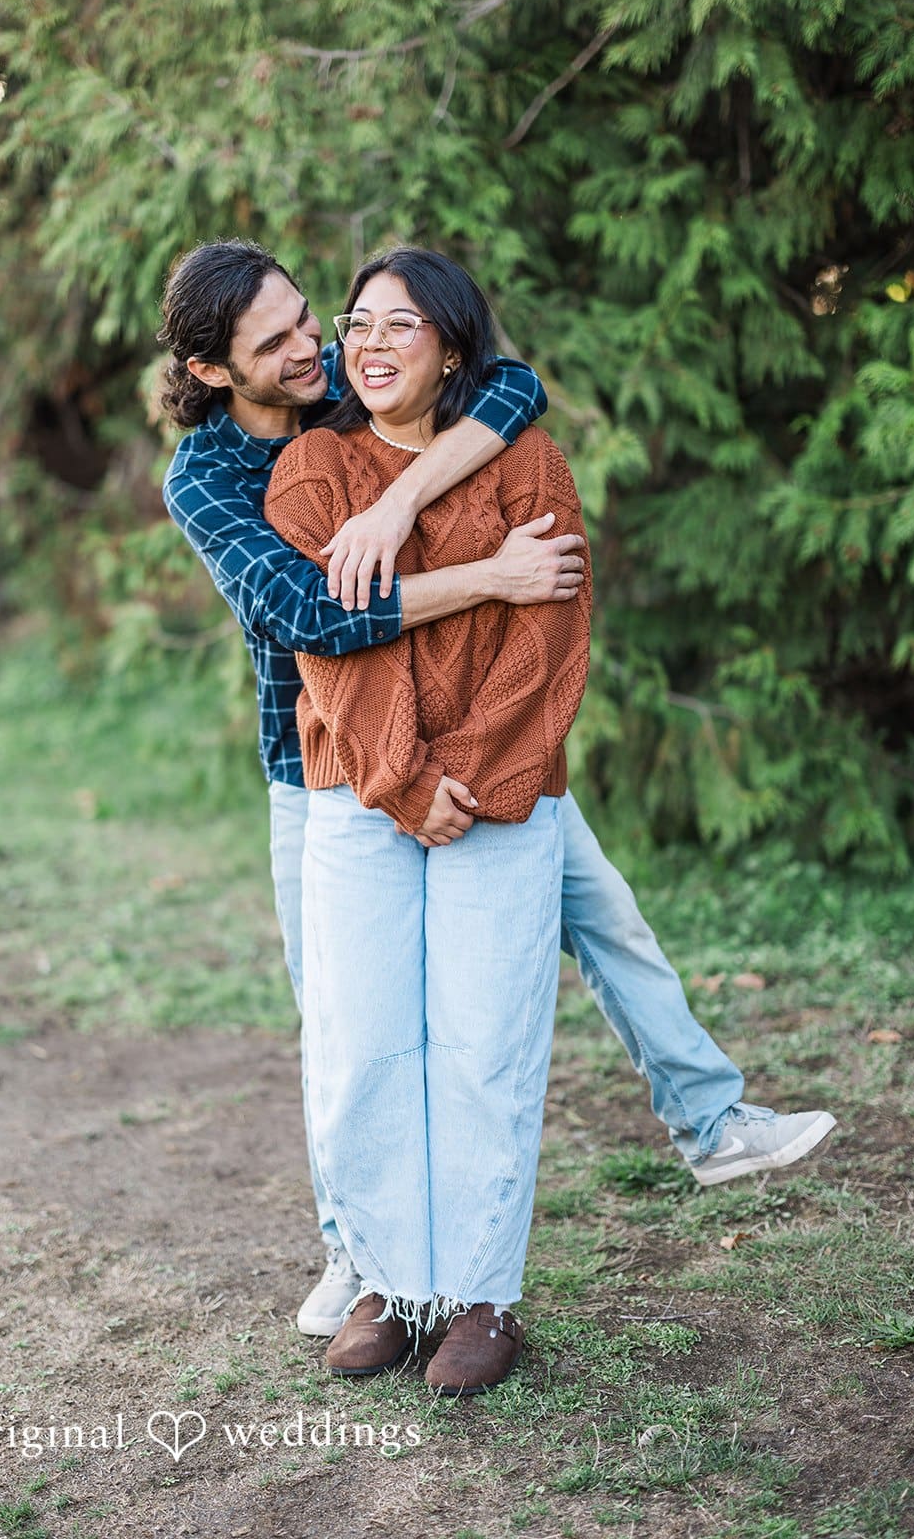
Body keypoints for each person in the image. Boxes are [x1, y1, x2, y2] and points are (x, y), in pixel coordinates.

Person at [158, 239, 836, 1344]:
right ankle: (357, 1251)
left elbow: (509, 383)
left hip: (481, 752)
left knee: (606, 917)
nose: (312, 346)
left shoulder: (347, 386)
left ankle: (709, 1121)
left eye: (308, 317)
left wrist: (398, 504)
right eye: (274, 342)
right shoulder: (209, 475)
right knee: (344, 1020)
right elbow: (312, 615)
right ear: (208, 370)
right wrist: (490, 578)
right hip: (322, 769)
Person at [264, 248, 594, 1392]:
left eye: (399, 324)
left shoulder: (526, 459)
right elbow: (328, 643)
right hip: (357, 795)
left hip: (500, 797)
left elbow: (550, 629)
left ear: (451, 347)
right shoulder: (313, 466)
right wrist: (403, 778)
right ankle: (387, 1284)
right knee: (359, 1044)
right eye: (355, 322)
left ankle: (480, 1298)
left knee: (483, 1043)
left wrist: (467, 773)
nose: (369, 343)